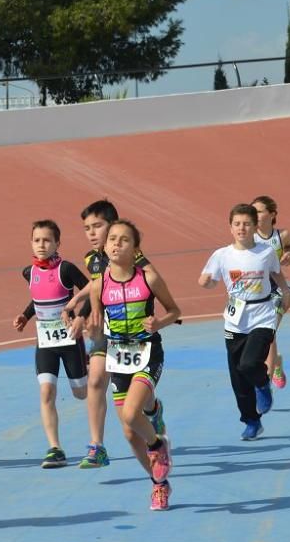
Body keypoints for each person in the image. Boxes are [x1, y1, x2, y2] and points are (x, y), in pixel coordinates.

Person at [61, 200, 167, 469]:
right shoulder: (91, 258)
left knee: (141, 397)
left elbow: (149, 276)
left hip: (133, 333)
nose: (92, 233)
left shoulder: (130, 252)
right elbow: (98, 284)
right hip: (106, 333)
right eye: (87, 228)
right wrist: (78, 305)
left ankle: (153, 410)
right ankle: (97, 446)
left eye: (97, 226)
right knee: (96, 379)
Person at [89, 220, 181, 511]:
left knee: (130, 414)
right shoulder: (98, 285)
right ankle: (159, 485)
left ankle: (157, 445)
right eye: (112, 239)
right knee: (130, 433)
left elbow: (175, 311)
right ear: (105, 247)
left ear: (135, 249)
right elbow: (98, 325)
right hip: (119, 358)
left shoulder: (149, 278)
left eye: (124, 240)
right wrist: (89, 330)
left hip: (148, 352)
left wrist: (159, 322)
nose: (116, 244)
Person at [199, 203, 290, 441]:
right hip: (235, 319)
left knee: (249, 363)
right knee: (238, 378)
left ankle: (263, 386)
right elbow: (209, 279)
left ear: (254, 227)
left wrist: (286, 293)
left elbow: (276, 273)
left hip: (263, 313)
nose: (242, 228)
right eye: (237, 224)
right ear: (230, 227)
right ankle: (252, 421)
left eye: (246, 224)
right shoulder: (222, 255)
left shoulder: (265, 252)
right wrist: (207, 283)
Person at [12, 220, 90, 468]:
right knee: (47, 392)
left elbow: (91, 290)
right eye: (37, 240)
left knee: (81, 393)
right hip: (45, 342)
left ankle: (94, 367)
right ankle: (55, 448)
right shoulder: (29, 272)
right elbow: (38, 298)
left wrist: (80, 317)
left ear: (57, 243)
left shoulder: (66, 269)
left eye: (47, 240)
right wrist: (25, 316)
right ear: (31, 243)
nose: (42, 245)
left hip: (70, 340)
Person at [251, 195, 290, 389]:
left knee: (269, 333)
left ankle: (266, 381)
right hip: (256, 293)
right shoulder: (248, 237)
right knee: (260, 336)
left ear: (272, 214)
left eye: (259, 211)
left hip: (278, 289)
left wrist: (289, 254)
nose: (255, 215)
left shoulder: (281, 235)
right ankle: (276, 362)